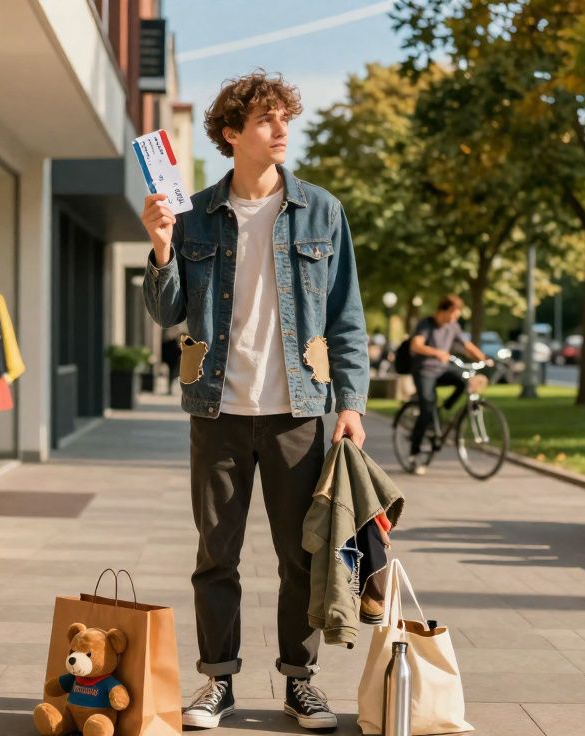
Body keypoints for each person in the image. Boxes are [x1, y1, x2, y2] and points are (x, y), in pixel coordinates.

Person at [140, 71, 369, 731]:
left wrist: (350, 402)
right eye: (267, 121)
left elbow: (346, 315)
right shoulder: (193, 214)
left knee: (301, 555)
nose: (281, 131)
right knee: (217, 556)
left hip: (298, 411)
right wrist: (160, 248)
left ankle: (300, 682)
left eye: (284, 120)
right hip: (216, 412)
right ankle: (217, 683)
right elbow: (167, 311)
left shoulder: (321, 211)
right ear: (231, 134)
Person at [406, 295, 488, 474]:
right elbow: (415, 345)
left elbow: (467, 345)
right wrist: (436, 353)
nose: (455, 318)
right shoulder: (426, 324)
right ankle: (414, 454)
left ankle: (445, 408)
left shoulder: (453, 326)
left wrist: (484, 358)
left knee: (464, 381)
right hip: (424, 370)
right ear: (443, 311)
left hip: (442, 370)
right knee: (426, 409)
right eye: (453, 314)